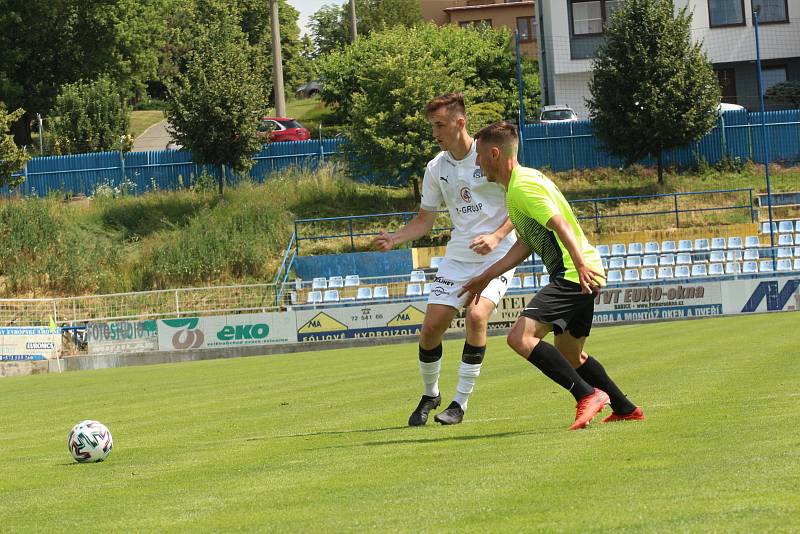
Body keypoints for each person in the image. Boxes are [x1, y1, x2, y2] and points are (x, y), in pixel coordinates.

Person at [460, 121, 644, 430]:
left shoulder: (522, 187)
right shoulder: (521, 185)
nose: (477, 163)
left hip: (575, 274)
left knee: (520, 338)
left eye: (479, 155)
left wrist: (579, 265)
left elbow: (560, 224)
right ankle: (625, 407)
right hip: (583, 271)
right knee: (570, 355)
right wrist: (485, 277)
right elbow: (526, 243)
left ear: (494, 153)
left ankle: (587, 396)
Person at [373, 93, 517, 426]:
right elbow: (425, 219)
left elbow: (519, 201)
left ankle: (459, 404)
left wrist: (496, 235)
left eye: (440, 125)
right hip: (458, 257)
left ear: (460, 122)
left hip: (498, 253)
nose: (435, 132)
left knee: (477, 316)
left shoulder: (489, 154)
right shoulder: (436, 167)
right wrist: (395, 237)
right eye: (432, 126)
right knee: (430, 329)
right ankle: (431, 394)